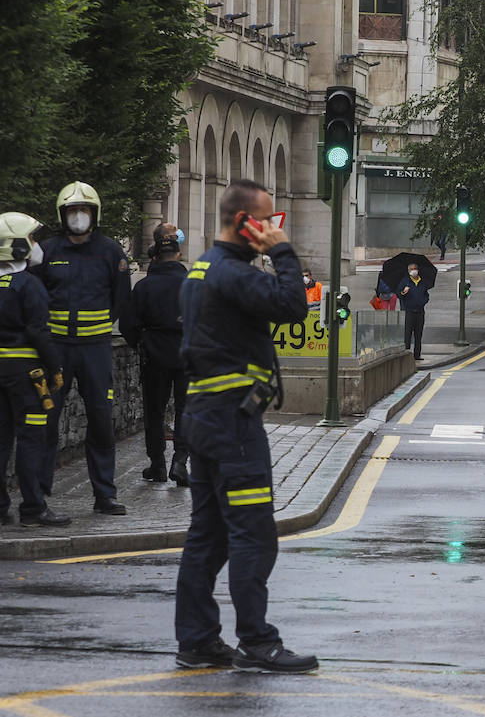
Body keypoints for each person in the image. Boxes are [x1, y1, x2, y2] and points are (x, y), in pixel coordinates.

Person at [174, 178, 316, 674]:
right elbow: (294, 306)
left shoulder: (201, 269)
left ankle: (197, 642)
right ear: (245, 223)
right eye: (269, 221)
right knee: (253, 533)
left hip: (205, 418)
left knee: (208, 536)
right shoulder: (232, 273)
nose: (275, 228)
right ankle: (258, 642)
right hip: (232, 424)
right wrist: (284, 254)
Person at [33, 181, 130, 516]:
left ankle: (105, 495)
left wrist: (98, 329)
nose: (78, 216)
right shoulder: (47, 251)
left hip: (95, 350)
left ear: (94, 214)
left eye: (83, 211)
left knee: (102, 421)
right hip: (56, 351)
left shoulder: (111, 251)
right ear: (63, 215)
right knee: (45, 420)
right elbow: (35, 297)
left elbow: (121, 299)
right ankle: (37, 496)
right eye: (73, 211)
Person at [0, 212, 71, 528]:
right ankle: (33, 508)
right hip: (27, 374)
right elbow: (39, 332)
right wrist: (55, 366)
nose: (37, 245)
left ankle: (1, 508)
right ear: (16, 246)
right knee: (32, 437)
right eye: (31, 239)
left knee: (1, 439)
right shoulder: (29, 285)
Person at [119, 223, 190, 486]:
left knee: (155, 411)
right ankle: (180, 462)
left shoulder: (144, 287)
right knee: (186, 411)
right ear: (179, 256)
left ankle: (158, 464)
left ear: (156, 256)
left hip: (155, 354)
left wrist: (141, 342)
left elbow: (128, 324)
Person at [398, 262, 429, 361]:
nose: (414, 270)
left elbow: (426, 295)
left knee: (418, 334)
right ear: (408, 271)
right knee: (408, 334)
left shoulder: (422, 281)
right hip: (409, 311)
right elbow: (399, 294)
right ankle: (406, 353)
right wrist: (403, 292)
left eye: (415, 268)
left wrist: (422, 302)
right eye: (411, 269)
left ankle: (417, 354)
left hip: (420, 311)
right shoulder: (405, 281)